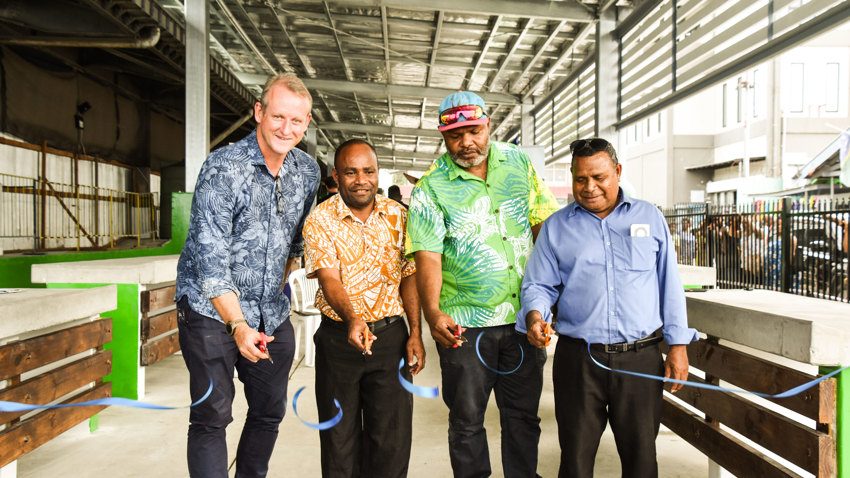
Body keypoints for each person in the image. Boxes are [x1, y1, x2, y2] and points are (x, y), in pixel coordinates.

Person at [519, 137, 698, 478]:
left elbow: (669, 285)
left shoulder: (650, 217)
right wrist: (535, 316)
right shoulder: (556, 227)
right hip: (578, 360)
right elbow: (539, 285)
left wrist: (678, 346)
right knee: (575, 458)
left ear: (617, 172)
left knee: (642, 457)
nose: (589, 187)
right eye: (580, 178)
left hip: (640, 359)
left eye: (599, 177)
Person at [406, 90, 559, 477]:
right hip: (465, 327)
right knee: (467, 420)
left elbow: (544, 225)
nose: (466, 143)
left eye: (474, 131)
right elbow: (428, 256)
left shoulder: (518, 163)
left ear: (488, 124)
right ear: (443, 138)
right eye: (455, 136)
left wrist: (554, 295)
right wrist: (433, 314)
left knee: (523, 417)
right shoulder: (431, 188)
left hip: (523, 319)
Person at [174, 72, 319, 478]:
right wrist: (236, 323)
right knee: (212, 414)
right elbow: (210, 258)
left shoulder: (307, 172)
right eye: (277, 117)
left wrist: (280, 285)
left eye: (296, 121)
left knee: (269, 411)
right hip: (208, 309)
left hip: (269, 311)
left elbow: (297, 241)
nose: (285, 129)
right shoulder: (223, 169)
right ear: (259, 111)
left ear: (306, 124)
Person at [303, 139, 425, 478]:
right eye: (351, 172)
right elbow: (330, 280)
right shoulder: (320, 220)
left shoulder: (400, 216)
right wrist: (354, 320)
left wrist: (415, 332)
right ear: (336, 176)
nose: (361, 180)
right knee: (339, 441)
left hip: (391, 340)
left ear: (378, 173)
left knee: (392, 440)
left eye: (368, 171)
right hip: (339, 341)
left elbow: (409, 277)